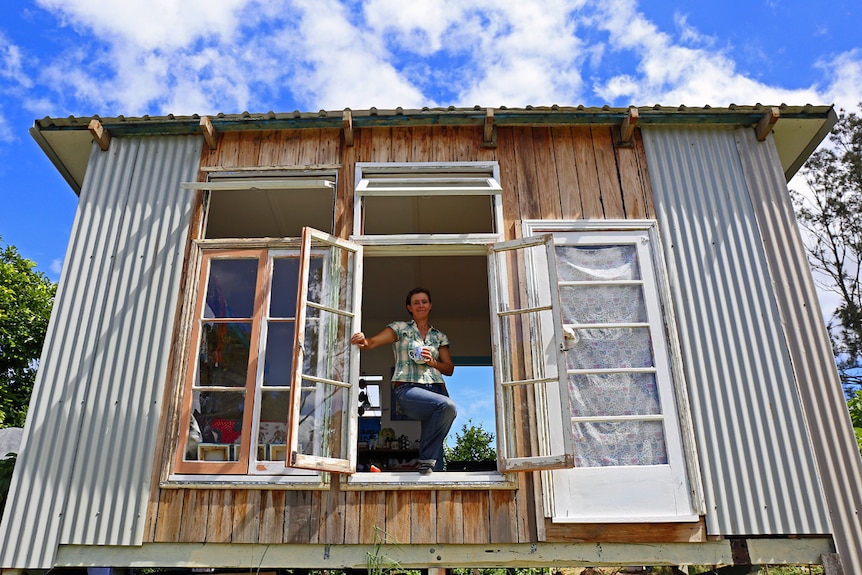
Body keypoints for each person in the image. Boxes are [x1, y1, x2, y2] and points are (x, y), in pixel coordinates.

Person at [351, 287, 456, 474]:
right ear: (409, 307)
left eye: (424, 301)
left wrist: (432, 362)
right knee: (446, 406)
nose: (421, 305)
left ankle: (426, 467)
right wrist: (362, 339)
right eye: (416, 302)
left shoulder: (439, 336)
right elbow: (371, 343)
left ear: (430, 305)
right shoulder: (400, 328)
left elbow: (449, 368)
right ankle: (425, 460)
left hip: (436, 388)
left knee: (445, 411)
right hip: (407, 387)